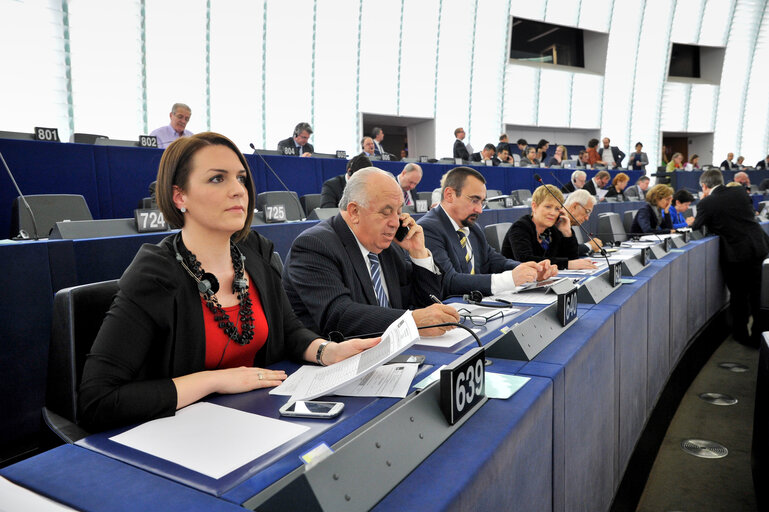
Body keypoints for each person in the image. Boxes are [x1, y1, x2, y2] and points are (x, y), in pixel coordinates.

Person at [77, 132, 378, 432]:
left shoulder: (255, 251)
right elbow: (98, 399)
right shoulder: (154, 275)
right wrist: (216, 380)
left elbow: (288, 330)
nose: (238, 191)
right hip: (182, 437)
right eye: (217, 179)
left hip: (257, 421)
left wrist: (327, 351)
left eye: (241, 178)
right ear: (179, 196)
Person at [282, 167, 459, 338]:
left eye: (398, 211)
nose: (396, 223)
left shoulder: (388, 246)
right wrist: (410, 320)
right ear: (354, 212)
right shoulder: (314, 246)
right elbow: (338, 316)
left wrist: (418, 252)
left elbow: (427, 304)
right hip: (335, 359)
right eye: (386, 212)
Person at [418, 167, 556, 296]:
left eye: (482, 202)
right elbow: (449, 281)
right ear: (449, 195)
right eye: (474, 200)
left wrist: (530, 270)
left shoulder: (472, 227)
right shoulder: (428, 229)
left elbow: (493, 261)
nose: (480, 210)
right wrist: (510, 279)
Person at [692, 169, 769, 345]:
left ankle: (741, 335)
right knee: (757, 295)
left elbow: (697, 228)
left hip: (737, 256)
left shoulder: (707, 202)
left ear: (704, 186)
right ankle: (759, 336)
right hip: (758, 247)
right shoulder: (739, 192)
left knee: (739, 296)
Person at [502, 185, 596, 271]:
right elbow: (525, 260)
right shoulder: (520, 228)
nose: (553, 213)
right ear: (534, 207)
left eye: (557, 209)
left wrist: (567, 232)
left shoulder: (553, 230)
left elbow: (573, 259)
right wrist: (566, 264)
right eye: (548, 207)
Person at [564, 190, 602, 256]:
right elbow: (564, 251)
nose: (587, 218)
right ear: (574, 206)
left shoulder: (569, 224)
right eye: (587, 211)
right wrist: (590, 246)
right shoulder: (557, 221)